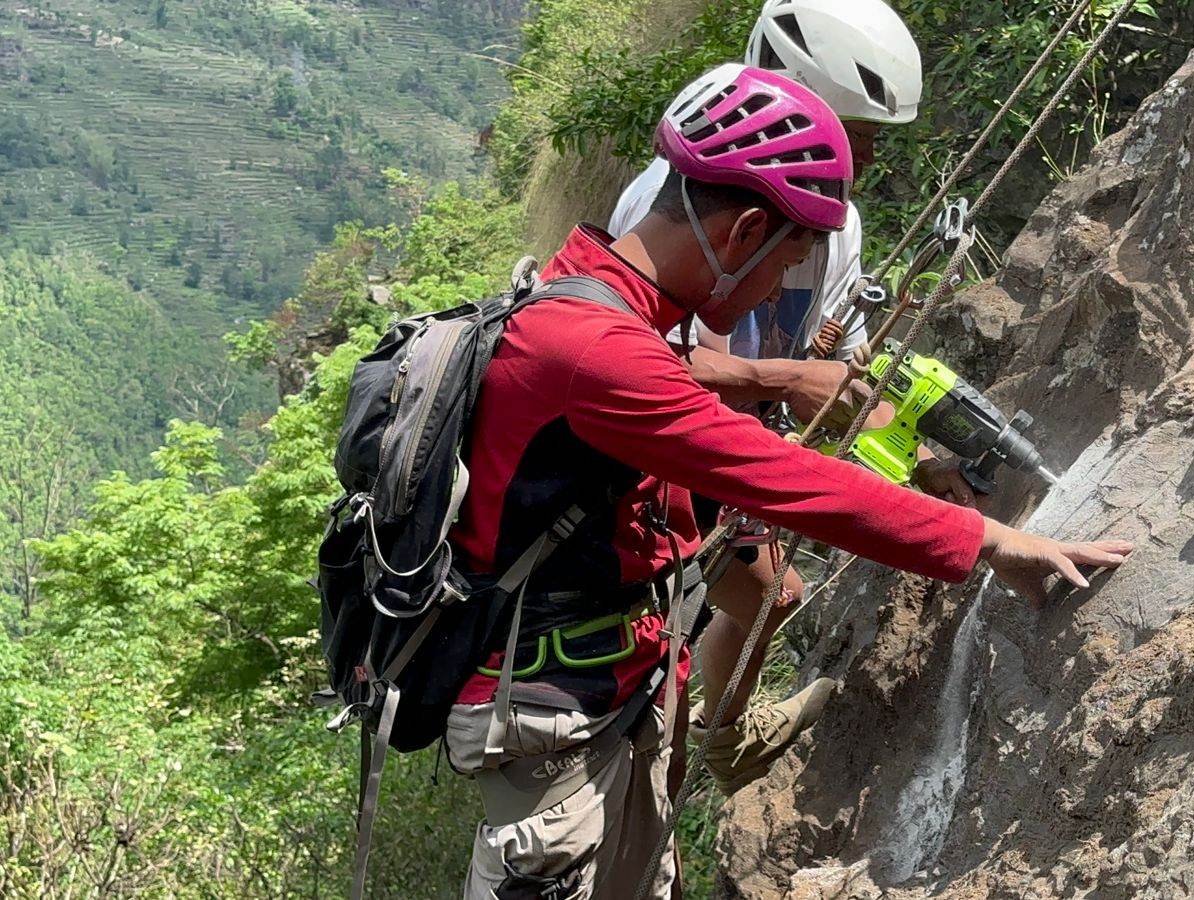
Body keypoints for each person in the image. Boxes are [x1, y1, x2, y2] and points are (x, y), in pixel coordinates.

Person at [445, 64, 1132, 899]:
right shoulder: (598, 350)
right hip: (554, 726)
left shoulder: (598, 298)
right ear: (743, 233)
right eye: (789, 260)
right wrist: (992, 541)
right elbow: (785, 479)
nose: (781, 288)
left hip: (612, 687)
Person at [608, 0, 964, 796]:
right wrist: (786, 385)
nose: (865, 156)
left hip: (737, 444)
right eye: (852, 133)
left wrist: (918, 451)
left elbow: (828, 361)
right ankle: (710, 744)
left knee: (772, 595)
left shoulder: (838, 225)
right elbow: (650, 371)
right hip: (662, 462)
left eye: (872, 139)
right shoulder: (676, 207)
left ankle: (711, 738)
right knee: (767, 593)